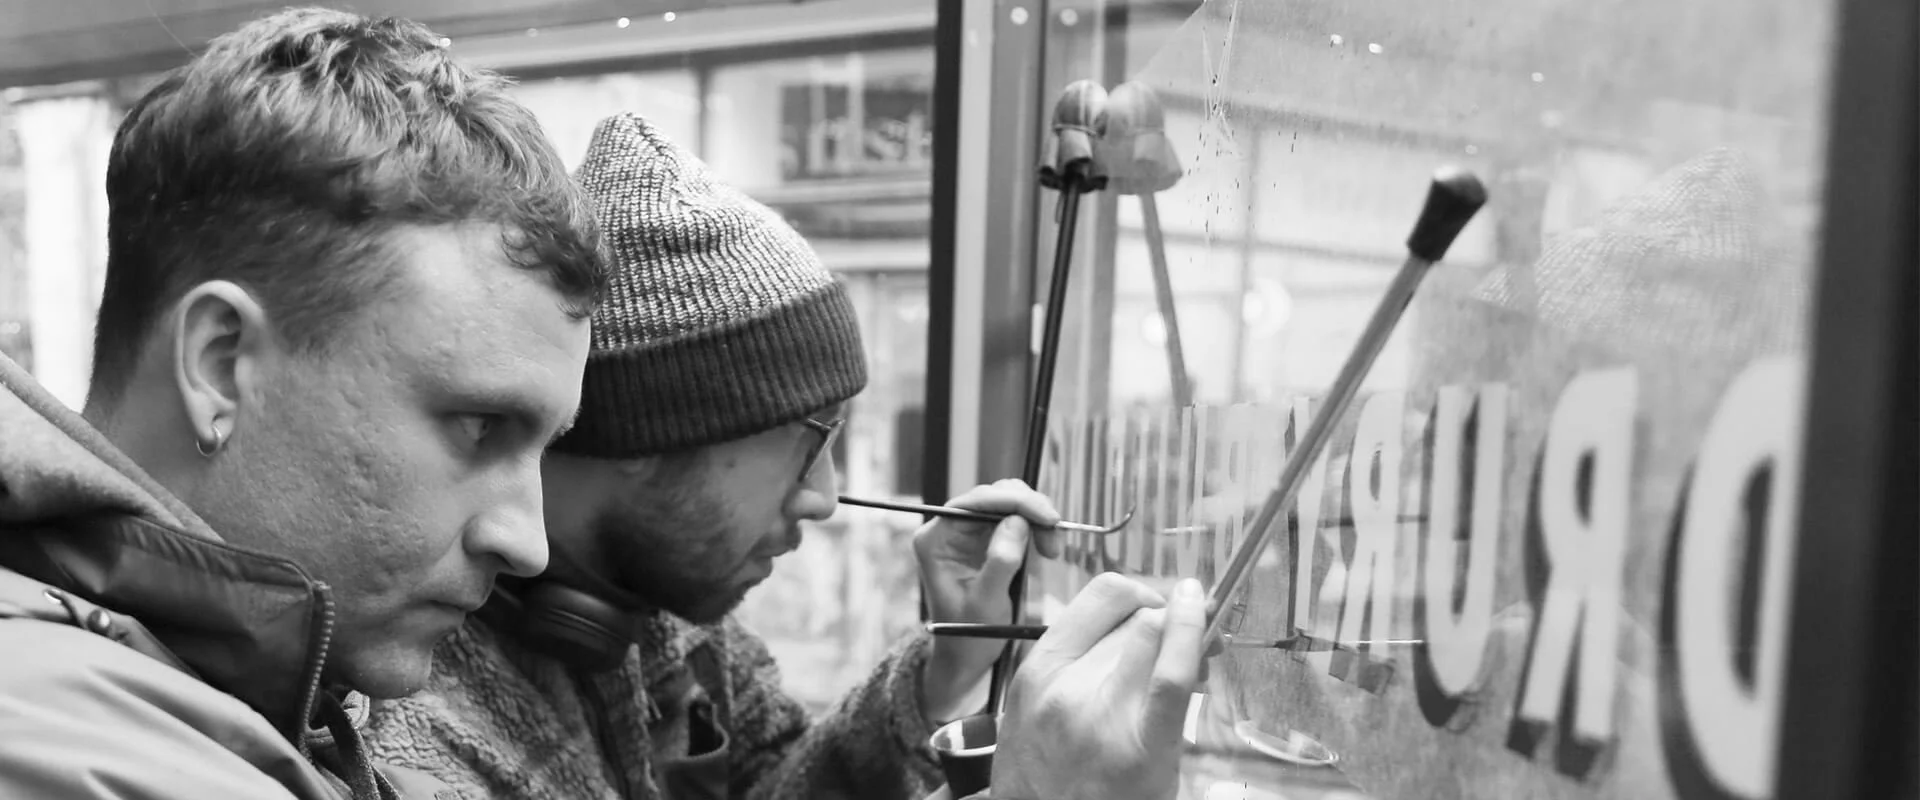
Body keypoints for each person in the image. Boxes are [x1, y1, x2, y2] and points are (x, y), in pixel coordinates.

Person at [363, 113, 1212, 800]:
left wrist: (943, 669)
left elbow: (777, 787)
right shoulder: (404, 710)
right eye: (812, 441)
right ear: (654, 431)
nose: (825, 500)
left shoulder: (675, 623)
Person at [0, 7, 607, 798]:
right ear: (220, 365)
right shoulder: (62, 744)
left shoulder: (257, 709)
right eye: (480, 425)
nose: (528, 544)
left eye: (542, 446)